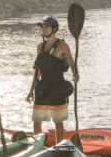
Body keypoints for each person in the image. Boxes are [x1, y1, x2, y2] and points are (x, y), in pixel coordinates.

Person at [26, 15, 79, 145]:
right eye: (42, 27)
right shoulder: (40, 46)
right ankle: (37, 147)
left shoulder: (63, 46)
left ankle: (59, 147)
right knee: (37, 120)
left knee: (58, 122)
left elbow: (72, 63)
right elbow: (37, 70)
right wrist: (31, 91)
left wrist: (75, 74)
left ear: (54, 29)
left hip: (57, 87)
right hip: (42, 87)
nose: (44, 29)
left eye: (46, 27)